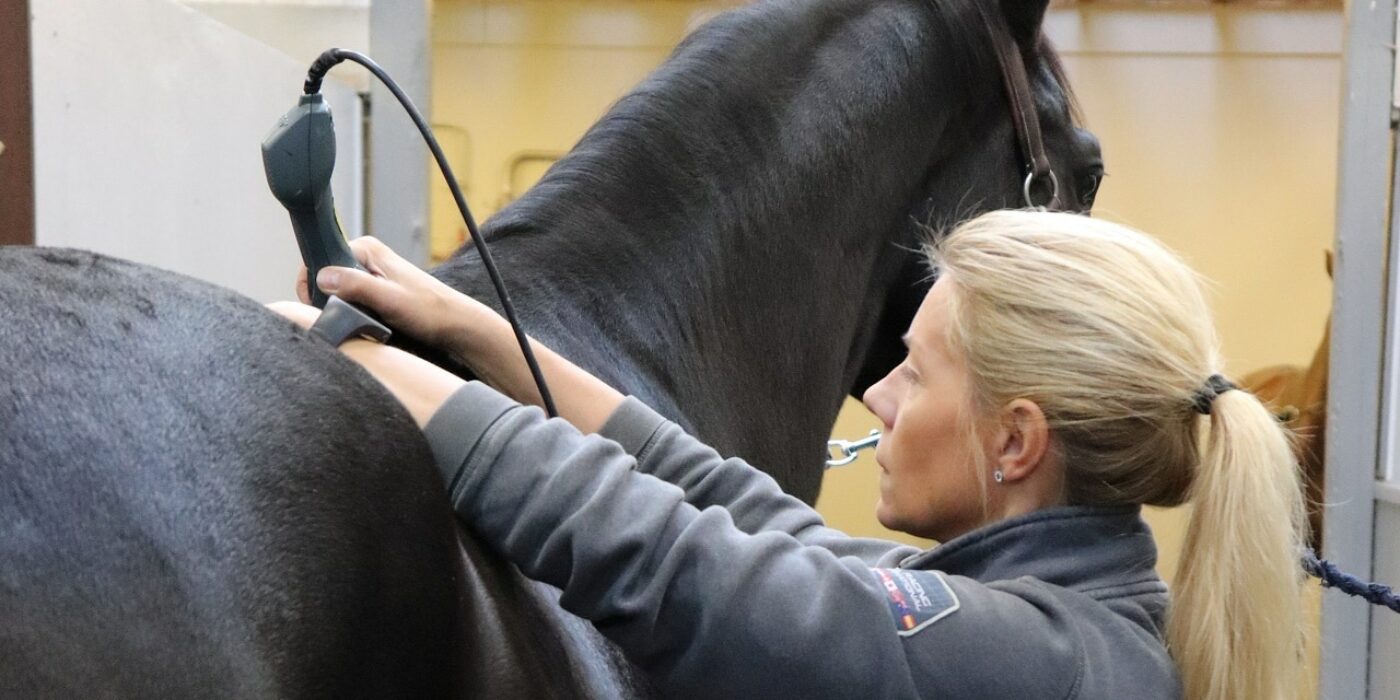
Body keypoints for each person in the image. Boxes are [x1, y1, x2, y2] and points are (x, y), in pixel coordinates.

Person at [269, 209, 1307, 700]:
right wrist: (481, 337)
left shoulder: (1036, 663)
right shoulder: (1075, 618)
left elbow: (694, 574)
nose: (882, 395)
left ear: (1014, 440)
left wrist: (367, 372)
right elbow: (763, 524)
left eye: (915, 371)